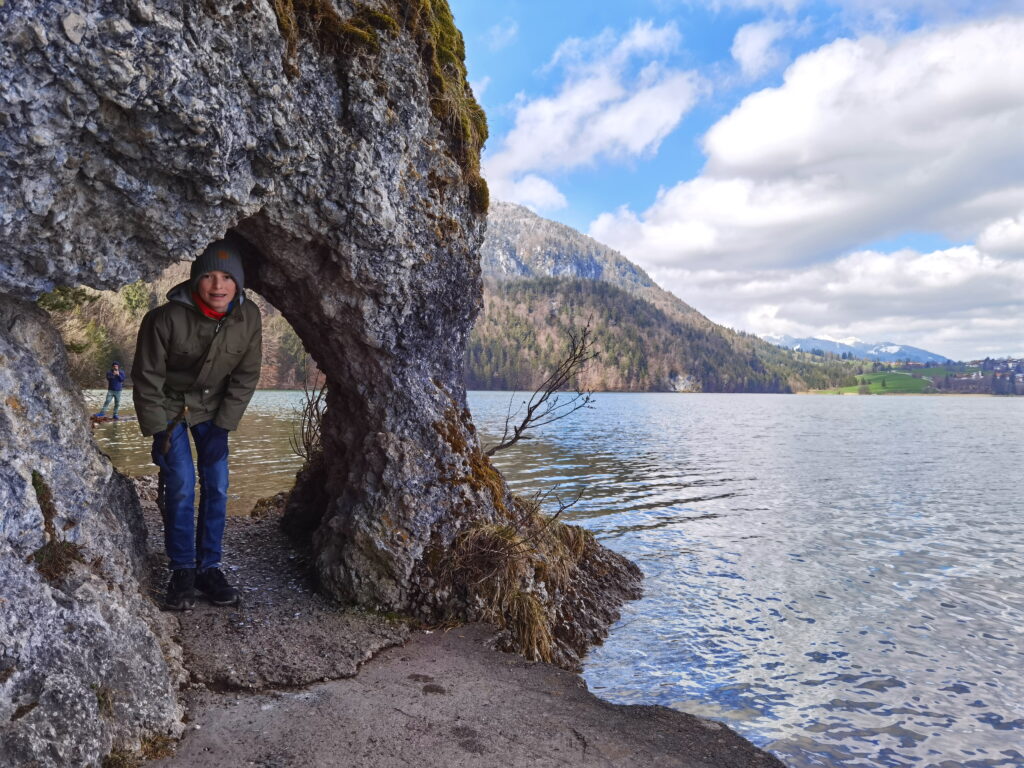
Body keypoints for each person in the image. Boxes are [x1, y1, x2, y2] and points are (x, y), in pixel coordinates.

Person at [132, 239, 262, 610]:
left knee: (218, 485)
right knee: (181, 485)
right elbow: (147, 380)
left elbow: (246, 376)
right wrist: (159, 431)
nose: (218, 286)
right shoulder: (163, 319)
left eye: (226, 277)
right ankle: (183, 570)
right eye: (208, 276)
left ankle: (209, 568)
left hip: (214, 410)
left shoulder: (249, 317)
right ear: (194, 281)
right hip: (171, 408)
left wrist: (223, 428)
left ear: (238, 283)